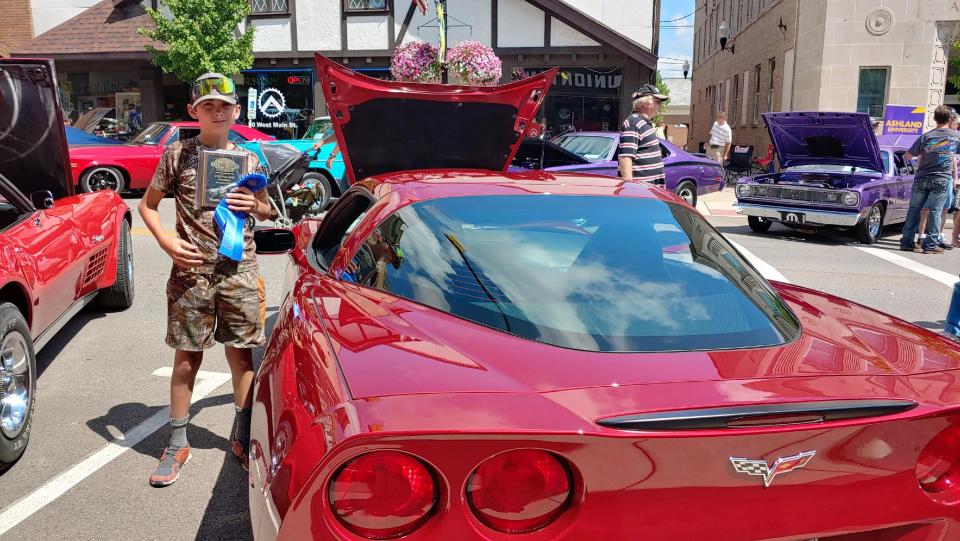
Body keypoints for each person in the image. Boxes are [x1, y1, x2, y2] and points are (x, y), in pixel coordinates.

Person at [139, 73, 274, 487]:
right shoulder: (177, 155)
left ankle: (241, 435)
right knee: (186, 359)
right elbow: (147, 206)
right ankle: (177, 441)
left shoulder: (251, 160)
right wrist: (165, 241)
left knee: (240, 357)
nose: (217, 111)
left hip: (239, 272)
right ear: (193, 111)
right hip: (191, 274)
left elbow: (268, 212)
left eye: (225, 105)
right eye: (208, 105)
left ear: (237, 111)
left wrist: (255, 204)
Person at [899, 105, 960, 254]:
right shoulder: (956, 137)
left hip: (921, 178)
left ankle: (907, 242)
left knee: (914, 210)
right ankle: (931, 245)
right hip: (941, 179)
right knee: (936, 211)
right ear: (950, 119)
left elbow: (907, 156)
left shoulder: (926, 136)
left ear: (935, 119)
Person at [618, 83, 669, 183]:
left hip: (648, 190)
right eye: (657, 102)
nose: (660, 105)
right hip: (640, 191)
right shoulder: (634, 123)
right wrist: (630, 186)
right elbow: (625, 158)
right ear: (645, 103)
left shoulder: (644, 123)